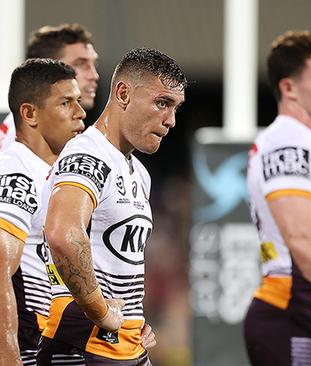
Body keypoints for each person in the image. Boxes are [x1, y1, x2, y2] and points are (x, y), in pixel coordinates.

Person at [39, 48, 186, 365]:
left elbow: (115, 261)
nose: (171, 120)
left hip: (126, 347)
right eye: (162, 103)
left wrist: (133, 320)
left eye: (175, 108)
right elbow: (63, 234)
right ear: (123, 93)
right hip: (85, 346)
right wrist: (100, 311)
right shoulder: (89, 154)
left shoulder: (139, 173)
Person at [0, 58, 86, 365]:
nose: (80, 113)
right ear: (30, 113)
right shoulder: (14, 173)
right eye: (66, 103)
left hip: (40, 341)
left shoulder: (51, 174)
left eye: (79, 101)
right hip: (16, 345)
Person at [244, 30, 311, 366]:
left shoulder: (302, 141)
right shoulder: (289, 141)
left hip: (305, 306)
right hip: (293, 308)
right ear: (288, 87)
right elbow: (301, 238)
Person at [0, 23, 99, 155]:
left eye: (94, 64)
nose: (94, 75)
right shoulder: (20, 137)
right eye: (81, 64)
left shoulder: (45, 129)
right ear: (47, 67)